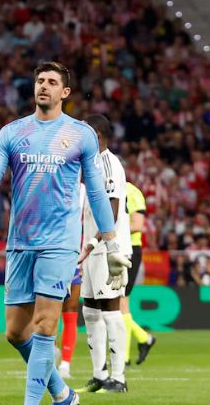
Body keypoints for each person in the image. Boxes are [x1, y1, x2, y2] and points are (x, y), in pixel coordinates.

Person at [0, 62, 130, 405]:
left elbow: (97, 193)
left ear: (65, 92)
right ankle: (62, 394)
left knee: (45, 327)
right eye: (40, 81)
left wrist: (112, 241)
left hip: (59, 245)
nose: (44, 86)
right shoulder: (12, 133)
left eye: (52, 82)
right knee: (15, 332)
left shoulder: (81, 134)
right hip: (21, 243)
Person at [78, 114, 132, 394]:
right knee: (90, 310)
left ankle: (119, 378)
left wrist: (93, 242)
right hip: (91, 247)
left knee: (111, 308)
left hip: (109, 248)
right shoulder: (89, 164)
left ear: (97, 135)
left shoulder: (109, 163)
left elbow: (110, 209)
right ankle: (99, 374)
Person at [122, 182, 155, 366]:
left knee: (121, 302)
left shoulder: (132, 192)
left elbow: (137, 224)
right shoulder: (104, 187)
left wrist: (109, 232)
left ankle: (123, 356)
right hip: (115, 249)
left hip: (130, 249)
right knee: (116, 304)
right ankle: (143, 338)